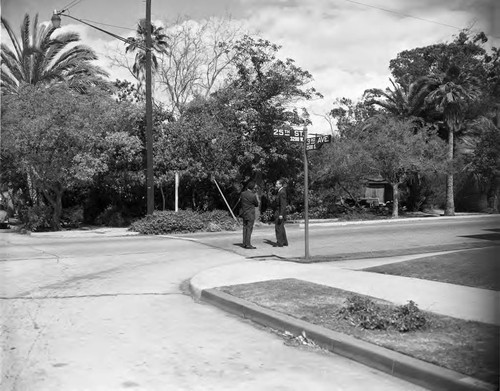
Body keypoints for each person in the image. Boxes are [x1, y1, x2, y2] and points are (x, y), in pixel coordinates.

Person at [240, 181, 259, 249]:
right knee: (249, 228)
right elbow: (256, 204)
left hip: (244, 213)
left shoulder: (242, 194)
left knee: (245, 228)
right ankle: (248, 244)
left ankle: (244, 243)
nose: (256, 189)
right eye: (255, 188)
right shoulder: (253, 195)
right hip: (250, 213)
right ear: (253, 188)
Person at [274, 179, 288, 247]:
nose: (276, 185)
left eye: (277, 184)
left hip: (279, 212)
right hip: (279, 211)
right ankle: (284, 241)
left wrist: (281, 214)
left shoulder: (282, 192)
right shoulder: (280, 191)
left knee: (278, 227)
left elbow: (283, 204)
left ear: (281, 185)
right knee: (281, 227)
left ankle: (280, 242)